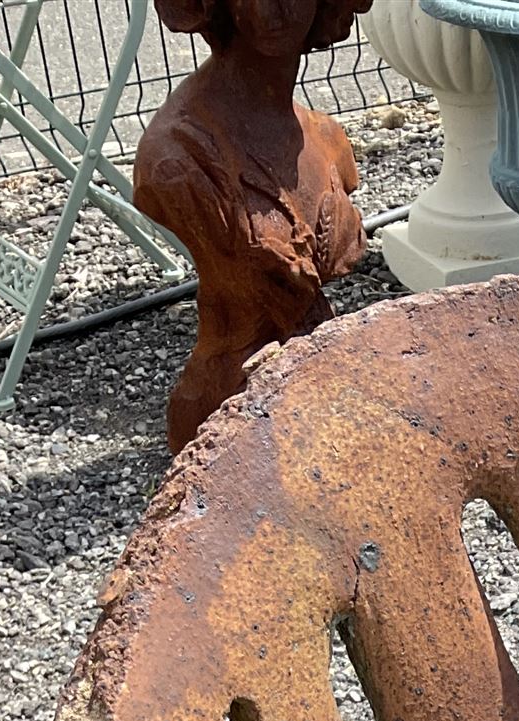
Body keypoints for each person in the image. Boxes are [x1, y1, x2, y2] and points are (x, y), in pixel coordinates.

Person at [135, 0, 371, 452]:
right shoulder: (179, 159)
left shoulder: (328, 140)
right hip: (226, 407)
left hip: (318, 397)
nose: (278, 6)